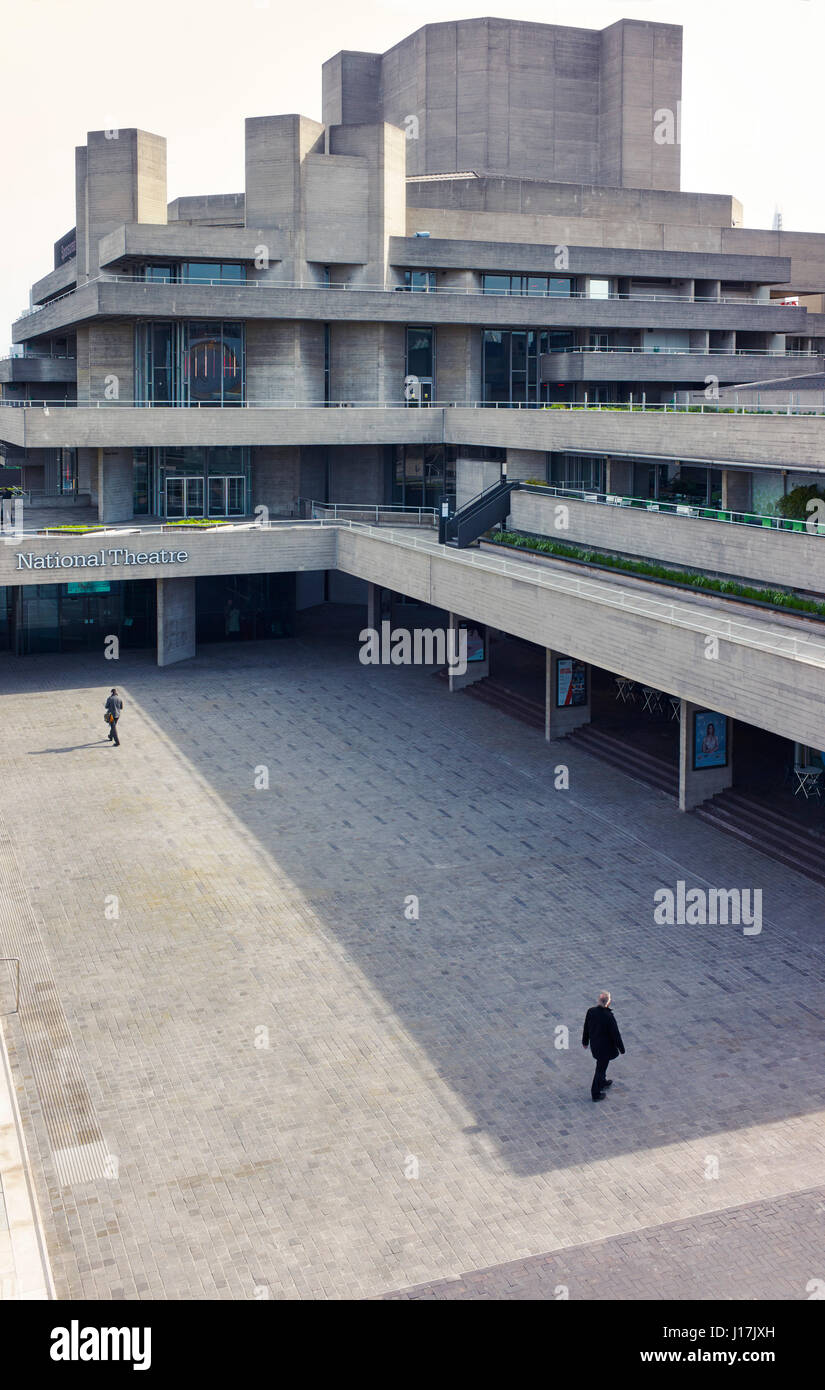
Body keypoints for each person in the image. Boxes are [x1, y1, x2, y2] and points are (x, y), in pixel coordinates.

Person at [582, 990, 625, 1102]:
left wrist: (585, 1041)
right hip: (605, 1048)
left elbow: (586, 1027)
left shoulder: (591, 1011)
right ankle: (595, 1093)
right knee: (600, 1068)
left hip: (596, 1046)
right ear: (608, 1002)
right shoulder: (608, 1016)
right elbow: (615, 1034)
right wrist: (621, 1048)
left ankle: (602, 1081)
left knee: (602, 1065)